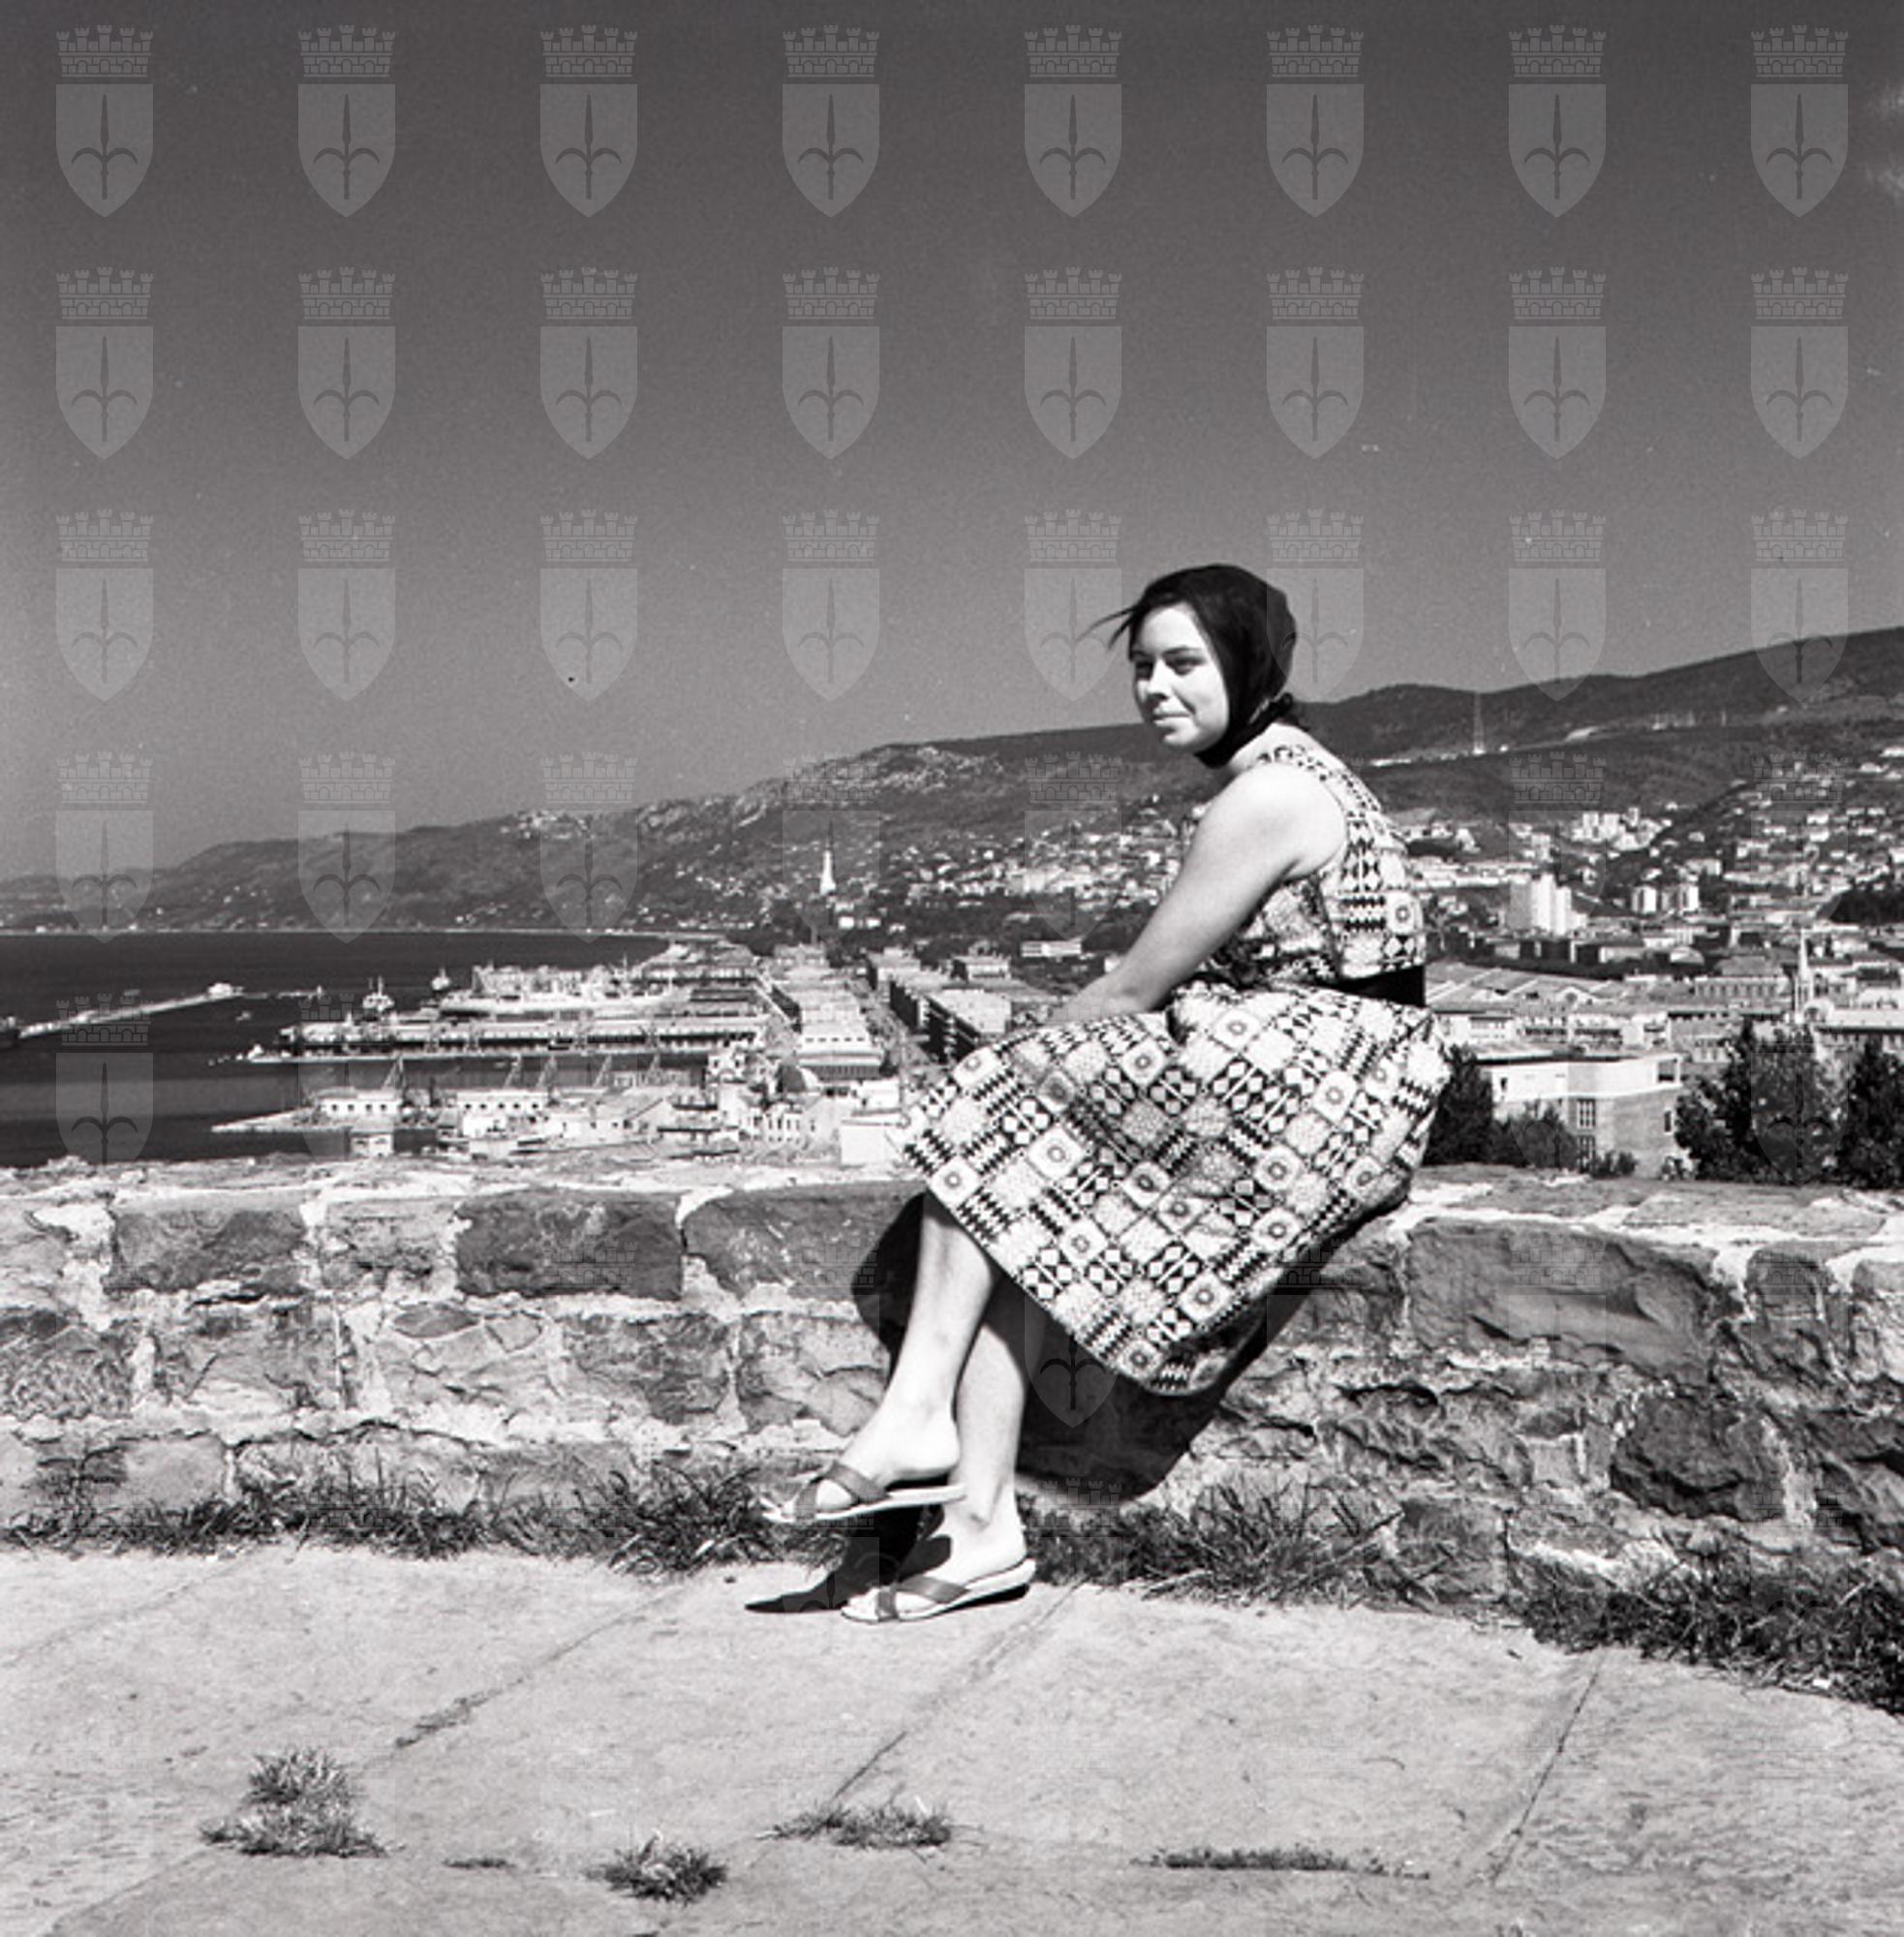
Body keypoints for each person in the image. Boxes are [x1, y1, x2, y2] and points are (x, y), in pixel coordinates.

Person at [765, 564, 1452, 1622]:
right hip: (1323, 1065)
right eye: (1142, 667)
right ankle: (979, 1523)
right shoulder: (1288, 774)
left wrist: (1007, 1064)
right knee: (1021, 1191)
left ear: (1249, 665)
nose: (1155, 688)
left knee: (998, 1105)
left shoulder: (1266, 794)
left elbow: (1135, 986)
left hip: (1328, 1083)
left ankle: (918, 1420)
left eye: (1184, 663)